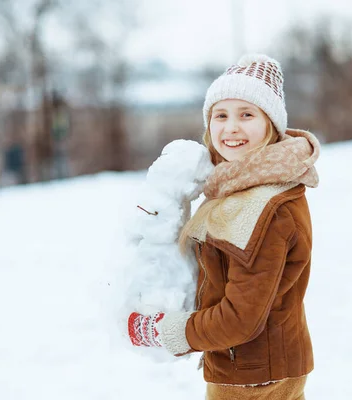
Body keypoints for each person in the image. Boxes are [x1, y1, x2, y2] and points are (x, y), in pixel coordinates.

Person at [127, 54, 320, 399]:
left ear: (270, 125)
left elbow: (239, 319)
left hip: (254, 377)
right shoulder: (242, 186)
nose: (231, 127)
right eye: (221, 115)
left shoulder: (264, 207)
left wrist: (163, 331)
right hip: (256, 366)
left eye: (247, 114)